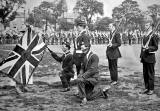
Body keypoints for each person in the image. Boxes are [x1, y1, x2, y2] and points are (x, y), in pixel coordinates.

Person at [140, 18, 159, 95]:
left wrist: (149, 48)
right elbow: (142, 46)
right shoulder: (145, 35)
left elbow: (156, 47)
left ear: (150, 26)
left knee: (150, 74)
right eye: (145, 25)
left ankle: (151, 89)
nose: (145, 26)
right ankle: (146, 88)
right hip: (144, 57)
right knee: (145, 74)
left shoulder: (153, 35)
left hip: (150, 58)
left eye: (147, 25)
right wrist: (141, 55)